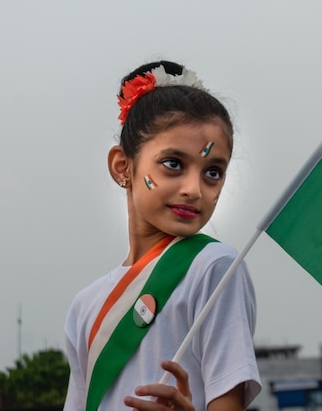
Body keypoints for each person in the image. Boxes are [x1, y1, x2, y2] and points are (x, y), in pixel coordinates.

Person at [63, 61, 261, 411]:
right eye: (173, 164)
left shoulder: (214, 270)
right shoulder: (85, 307)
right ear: (123, 166)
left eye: (212, 171)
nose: (194, 189)